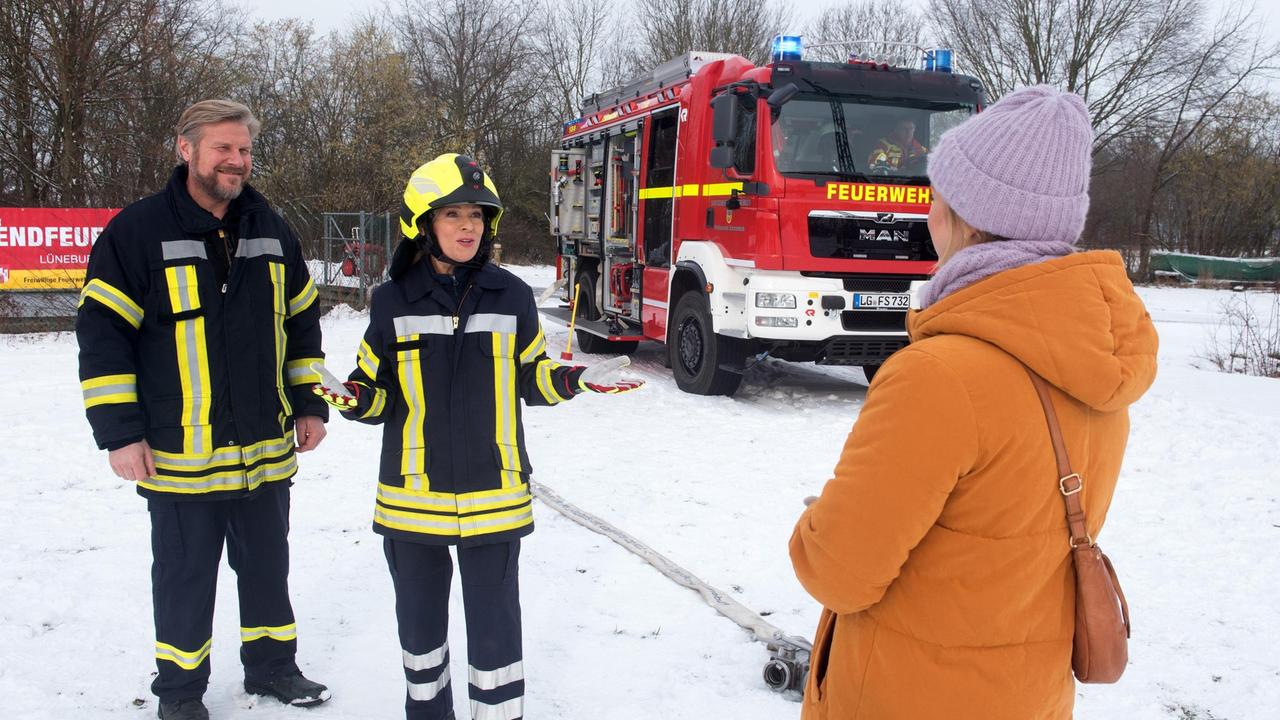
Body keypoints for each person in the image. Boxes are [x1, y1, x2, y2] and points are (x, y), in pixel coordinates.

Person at [789, 85, 1158, 718]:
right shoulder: (1097, 364)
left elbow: (838, 573)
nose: (927, 213)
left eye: (937, 197)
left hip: (910, 697)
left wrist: (819, 521)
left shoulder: (937, 377)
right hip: (1029, 697)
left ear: (964, 216)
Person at [312, 153, 643, 720]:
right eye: (452, 215)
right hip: (412, 497)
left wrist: (576, 380)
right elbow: (377, 388)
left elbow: (531, 377)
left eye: (477, 215)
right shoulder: (391, 302)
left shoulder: (512, 295)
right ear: (423, 224)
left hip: (494, 493)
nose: (469, 227)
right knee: (419, 634)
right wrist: (353, 400)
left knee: (495, 639)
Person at [76, 99, 331, 720]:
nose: (236, 161)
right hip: (180, 453)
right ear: (185, 148)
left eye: (243, 149)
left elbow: (302, 323)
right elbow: (104, 338)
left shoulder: (271, 227)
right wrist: (119, 434)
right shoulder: (135, 232)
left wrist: (309, 402)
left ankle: (272, 668)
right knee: (185, 580)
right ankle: (181, 694)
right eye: (223, 148)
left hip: (266, 451)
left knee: (268, 569)